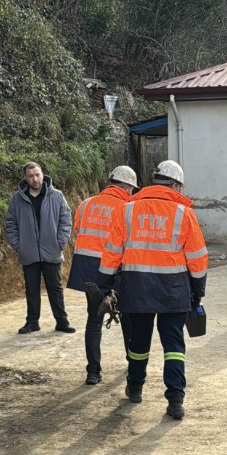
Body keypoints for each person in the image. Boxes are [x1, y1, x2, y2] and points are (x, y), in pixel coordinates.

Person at [99, 160, 207, 420]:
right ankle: (175, 400)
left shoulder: (127, 210)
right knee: (173, 345)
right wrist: (198, 291)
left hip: (136, 289)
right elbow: (198, 257)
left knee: (138, 342)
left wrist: (105, 285)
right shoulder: (184, 213)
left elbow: (112, 251)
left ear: (155, 179)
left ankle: (135, 387)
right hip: (173, 290)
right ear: (175, 185)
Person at [67, 165, 138, 385]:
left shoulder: (86, 204)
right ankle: (132, 364)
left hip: (89, 271)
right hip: (117, 270)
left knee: (94, 320)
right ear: (126, 187)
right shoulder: (128, 207)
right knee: (128, 318)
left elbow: (79, 230)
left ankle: (93, 372)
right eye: (132, 189)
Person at [5, 162, 75, 334]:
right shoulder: (18, 198)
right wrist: (19, 246)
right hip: (28, 252)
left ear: (43, 174)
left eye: (37, 175)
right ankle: (32, 322)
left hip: (51, 250)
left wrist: (60, 242)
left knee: (55, 288)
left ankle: (62, 321)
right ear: (25, 178)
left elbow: (66, 221)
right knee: (31, 289)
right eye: (31, 176)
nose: (35, 179)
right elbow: (10, 224)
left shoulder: (57, 196)